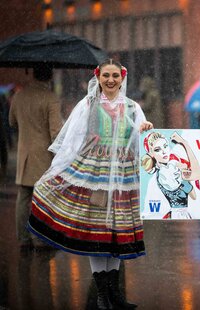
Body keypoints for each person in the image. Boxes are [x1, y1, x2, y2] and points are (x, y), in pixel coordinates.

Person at [27, 59, 153, 310]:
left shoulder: (133, 107)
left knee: (116, 233)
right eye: (106, 75)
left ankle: (113, 293)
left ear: (122, 77)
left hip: (124, 175)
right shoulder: (88, 104)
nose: (110, 80)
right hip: (95, 172)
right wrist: (57, 169)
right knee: (98, 232)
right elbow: (72, 139)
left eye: (115, 75)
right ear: (98, 77)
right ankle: (102, 295)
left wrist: (146, 129)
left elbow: (142, 138)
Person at [8, 65, 62, 250]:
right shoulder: (50, 98)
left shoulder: (19, 96)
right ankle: (40, 240)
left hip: (24, 154)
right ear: (49, 77)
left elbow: (11, 122)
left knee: (24, 196)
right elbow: (56, 132)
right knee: (42, 197)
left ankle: (23, 239)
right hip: (43, 156)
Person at [141, 131, 200, 219]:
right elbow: (198, 176)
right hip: (179, 216)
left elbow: (186, 167)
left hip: (177, 215)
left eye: (165, 146)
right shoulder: (168, 170)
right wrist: (184, 143)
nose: (164, 152)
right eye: (157, 149)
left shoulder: (169, 166)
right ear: (151, 154)